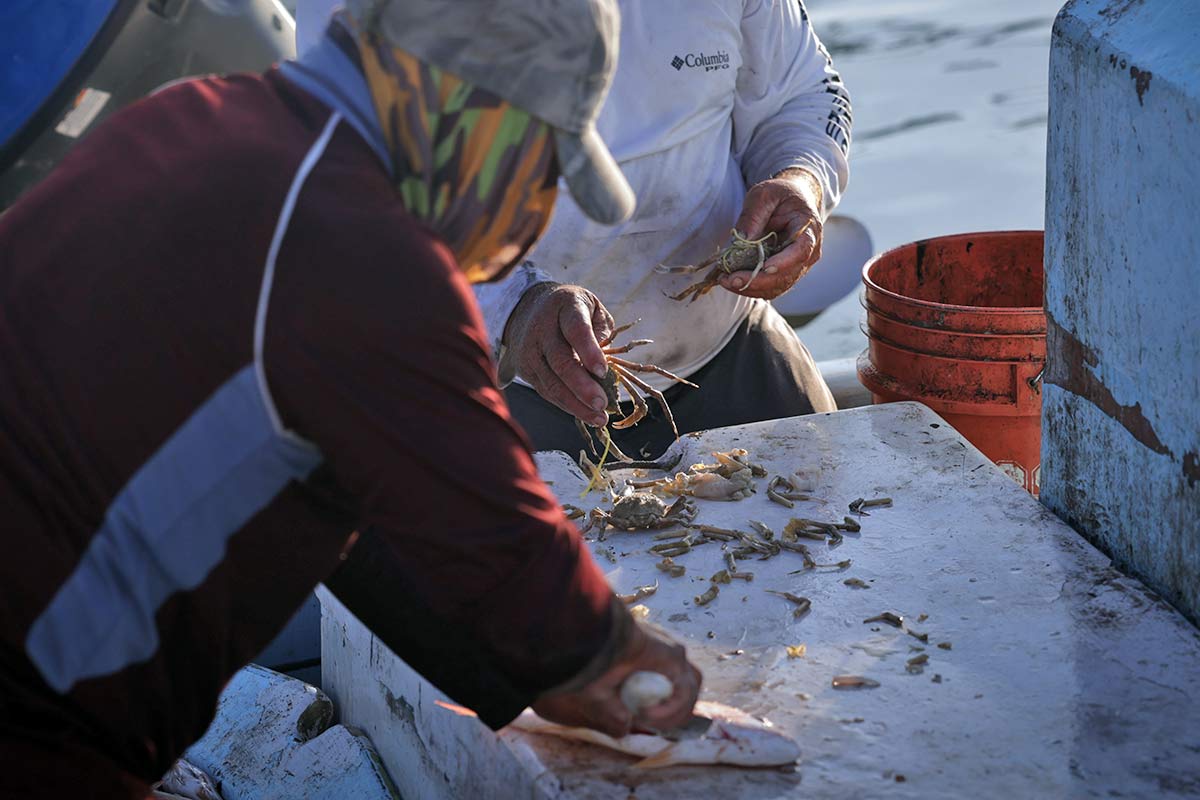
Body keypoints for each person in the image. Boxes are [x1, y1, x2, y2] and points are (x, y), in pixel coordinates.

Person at [0, 0, 699, 796]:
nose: (533, 218)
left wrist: (533, 666)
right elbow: (487, 525)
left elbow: (372, 503)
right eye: (541, 169)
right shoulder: (360, 245)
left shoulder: (191, 119)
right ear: (470, 112)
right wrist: (608, 656)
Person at [481, 0, 853, 459]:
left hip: (734, 348)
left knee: (837, 508)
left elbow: (804, 95)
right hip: (507, 385)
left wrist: (799, 179)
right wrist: (512, 307)